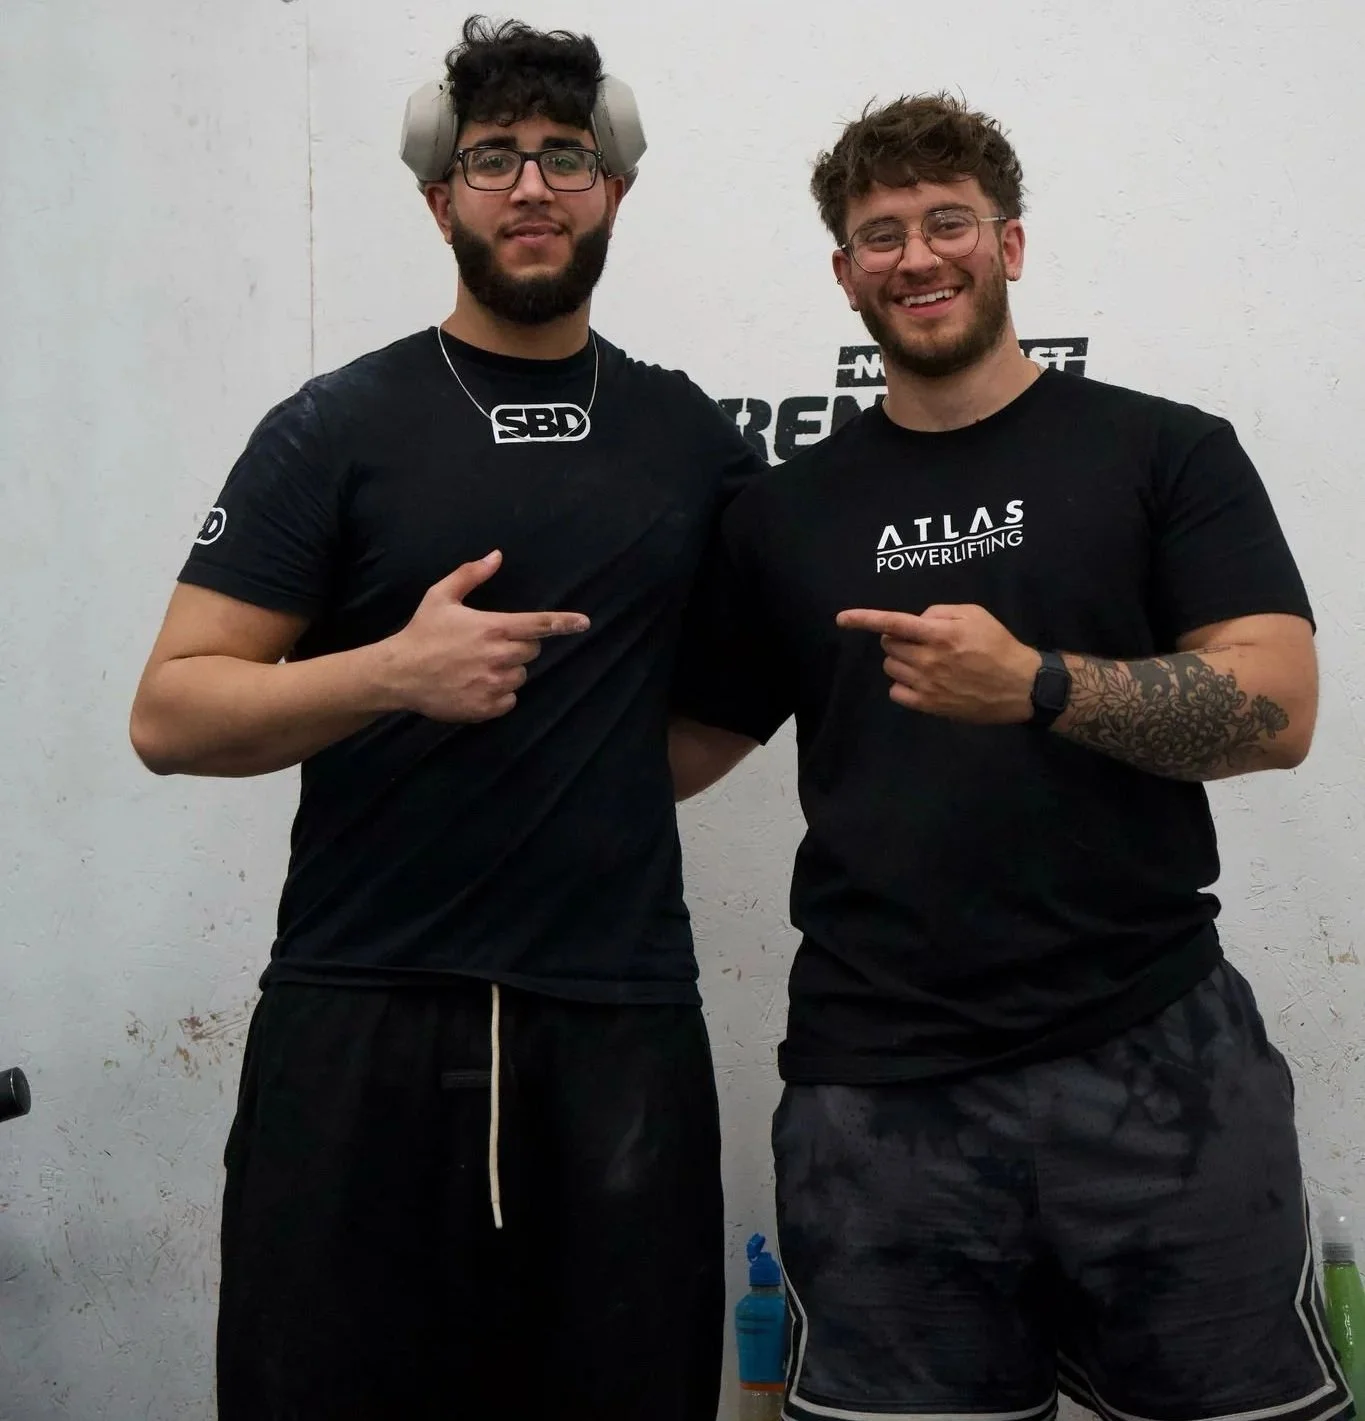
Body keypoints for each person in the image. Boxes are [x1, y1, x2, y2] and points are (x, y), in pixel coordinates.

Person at [671, 93, 1344, 1421]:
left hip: (1159, 1070)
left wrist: (1035, 685)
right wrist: (473, 714)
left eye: (947, 222)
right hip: (877, 1098)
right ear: (844, 272)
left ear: (1011, 243)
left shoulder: (1162, 452)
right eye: (881, 234)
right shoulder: (782, 512)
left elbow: (1279, 708)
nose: (916, 256)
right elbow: (685, 745)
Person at [130, 17, 763, 1420]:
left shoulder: (696, 446)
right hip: (362, 1020)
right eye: (492, 159)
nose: (529, 186)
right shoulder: (334, 427)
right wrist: (387, 677)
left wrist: (582, 776)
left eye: (562, 156)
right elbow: (172, 711)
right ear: (438, 197)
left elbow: (730, 706)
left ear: (614, 189)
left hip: (616, 1030)